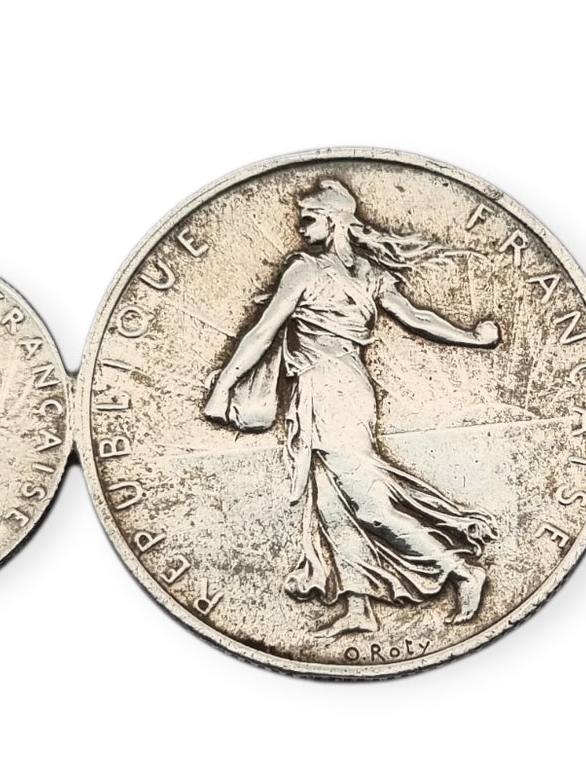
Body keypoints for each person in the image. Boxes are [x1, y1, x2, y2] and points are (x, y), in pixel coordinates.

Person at [203, 179, 499, 636]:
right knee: (331, 501)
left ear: (333, 220)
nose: (301, 228)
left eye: (309, 218)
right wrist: (473, 338)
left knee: (369, 502)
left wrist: (222, 388)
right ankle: (358, 606)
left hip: (329, 390)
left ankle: (459, 569)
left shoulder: (305, 270)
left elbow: (263, 332)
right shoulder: (367, 275)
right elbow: (417, 317)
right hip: (341, 387)